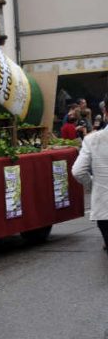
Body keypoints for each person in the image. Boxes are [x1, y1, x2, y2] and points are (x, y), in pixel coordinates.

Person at [72, 100, 108, 252]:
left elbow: (78, 171)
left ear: (105, 112)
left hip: (105, 209)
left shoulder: (92, 140)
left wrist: (94, 185)